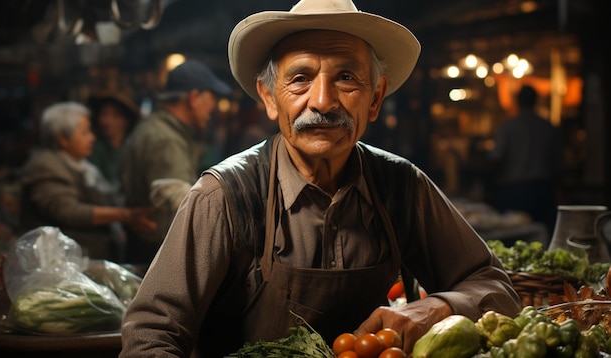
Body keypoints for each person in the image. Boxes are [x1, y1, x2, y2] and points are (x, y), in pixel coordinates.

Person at [119, 0, 521, 356]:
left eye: (346, 77)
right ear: (269, 97)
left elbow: (497, 289)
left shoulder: (402, 185)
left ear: (376, 98)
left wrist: (439, 306)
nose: (324, 101)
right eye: (300, 79)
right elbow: (153, 331)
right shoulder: (224, 195)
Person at [119, 59, 231, 266]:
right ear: (194, 97)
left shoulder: (159, 129)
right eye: (212, 97)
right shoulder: (165, 139)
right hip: (156, 254)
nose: (213, 106)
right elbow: (181, 203)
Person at [20, 101, 156, 261]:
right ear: (63, 139)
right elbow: (67, 211)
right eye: (84, 133)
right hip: (59, 263)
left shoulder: (82, 166)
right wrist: (124, 215)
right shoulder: (45, 165)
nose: (92, 137)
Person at [489, 84, 562, 237]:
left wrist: (497, 182)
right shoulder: (547, 127)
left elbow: (496, 158)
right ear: (536, 101)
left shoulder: (509, 126)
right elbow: (558, 165)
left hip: (515, 190)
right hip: (542, 191)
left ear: (518, 101)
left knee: (513, 238)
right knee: (544, 238)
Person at [86, 91, 140, 202]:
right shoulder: (93, 148)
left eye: (115, 115)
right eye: (103, 114)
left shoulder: (133, 147)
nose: (107, 121)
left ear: (126, 120)